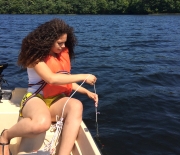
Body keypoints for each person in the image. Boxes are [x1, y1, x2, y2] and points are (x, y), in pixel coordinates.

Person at [0, 18, 98, 155]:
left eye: (65, 43)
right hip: (35, 98)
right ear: (48, 40)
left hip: (55, 100)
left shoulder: (60, 55)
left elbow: (65, 80)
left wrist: (87, 92)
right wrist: (84, 76)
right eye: (60, 43)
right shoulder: (34, 56)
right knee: (42, 123)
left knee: (76, 106)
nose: (63, 46)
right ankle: (6, 134)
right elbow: (51, 79)